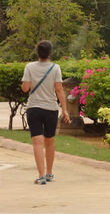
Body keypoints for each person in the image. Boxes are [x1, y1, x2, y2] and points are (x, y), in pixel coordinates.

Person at [21, 40, 71, 185]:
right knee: (50, 142)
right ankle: (49, 173)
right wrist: (65, 111)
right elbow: (59, 90)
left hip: (34, 109)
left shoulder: (29, 67)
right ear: (50, 53)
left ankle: (41, 176)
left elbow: (25, 88)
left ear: (37, 52)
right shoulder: (56, 68)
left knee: (37, 143)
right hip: (51, 109)